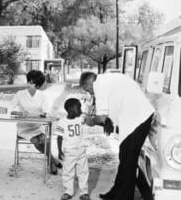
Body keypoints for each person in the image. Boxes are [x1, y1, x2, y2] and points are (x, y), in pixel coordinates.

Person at [80, 72, 155, 200]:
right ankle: (119, 193)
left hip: (137, 121)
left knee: (128, 162)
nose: (90, 93)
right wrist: (107, 121)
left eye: (88, 90)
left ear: (89, 83)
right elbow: (114, 104)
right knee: (126, 159)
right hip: (137, 119)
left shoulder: (99, 85)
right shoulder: (107, 79)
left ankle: (124, 196)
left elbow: (101, 117)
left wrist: (91, 121)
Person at [10, 70, 60, 173]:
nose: (29, 84)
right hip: (24, 127)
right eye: (29, 81)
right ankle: (51, 161)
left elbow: (46, 111)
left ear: (38, 85)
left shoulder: (43, 96)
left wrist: (42, 114)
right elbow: (9, 109)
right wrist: (20, 114)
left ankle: (50, 160)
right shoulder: (20, 94)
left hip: (37, 126)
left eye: (32, 83)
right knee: (36, 142)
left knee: (45, 139)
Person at [56, 98, 90, 200]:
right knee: (68, 172)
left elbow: (90, 120)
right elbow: (59, 136)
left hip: (81, 150)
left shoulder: (80, 119)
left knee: (83, 171)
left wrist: (103, 122)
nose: (80, 110)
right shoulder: (62, 121)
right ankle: (68, 191)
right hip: (69, 152)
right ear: (70, 109)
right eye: (78, 108)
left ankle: (84, 192)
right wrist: (59, 150)